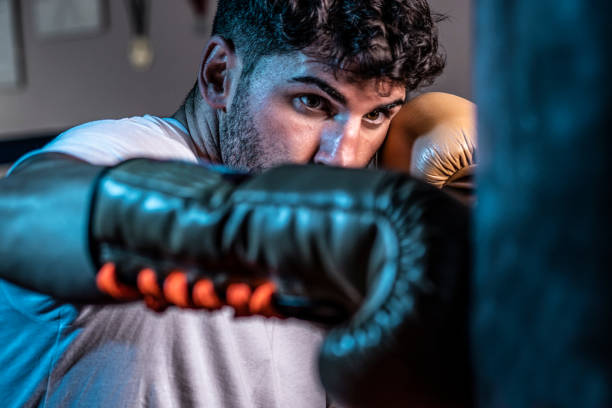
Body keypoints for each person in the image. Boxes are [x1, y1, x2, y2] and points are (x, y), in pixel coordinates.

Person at [0, 1, 474, 407]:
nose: (343, 159)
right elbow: (22, 211)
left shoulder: (370, 228)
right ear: (220, 75)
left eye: (375, 115)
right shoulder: (120, 151)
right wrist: (234, 227)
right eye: (313, 102)